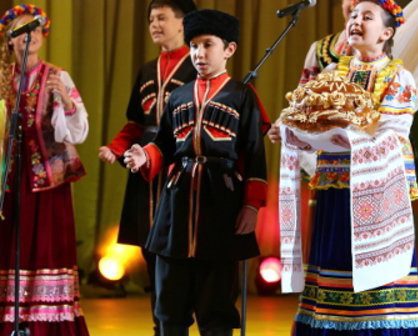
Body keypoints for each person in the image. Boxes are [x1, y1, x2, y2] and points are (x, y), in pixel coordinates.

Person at [271, 1, 418, 335]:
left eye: (367, 17)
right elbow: (305, 119)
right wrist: (289, 130)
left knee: (377, 278)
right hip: (336, 187)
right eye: (353, 16)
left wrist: (341, 132)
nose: (356, 21)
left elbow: (391, 131)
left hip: (380, 190)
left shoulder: (398, 77)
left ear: (386, 32)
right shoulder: (330, 75)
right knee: (334, 268)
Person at [123, 9, 268, 336]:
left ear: (228, 49)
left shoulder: (243, 96)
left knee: (216, 303)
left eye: (208, 45)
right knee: (169, 302)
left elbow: (255, 154)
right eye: (194, 46)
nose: (199, 54)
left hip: (222, 201)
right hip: (176, 202)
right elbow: (163, 145)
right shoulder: (178, 95)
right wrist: (143, 157)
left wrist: (251, 205)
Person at [97, 1, 196, 334]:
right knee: (149, 249)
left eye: (162, 18)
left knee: (179, 248)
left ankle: (178, 321)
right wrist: (115, 148)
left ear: (183, 23)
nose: (155, 24)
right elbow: (135, 124)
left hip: (179, 166)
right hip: (144, 171)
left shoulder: (196, 65)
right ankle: (161, 325)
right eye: (151, 19)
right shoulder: (145, 70)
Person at [0, 4, 90, 336]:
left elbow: (79, 132)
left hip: (47, 180)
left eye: (35, 29)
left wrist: (65, 102)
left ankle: (44, 323)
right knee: (10, 245)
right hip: (7, 178)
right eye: (22, 31)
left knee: (45, 246)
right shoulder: (1, 78)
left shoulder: (57, 76)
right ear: (9, 41)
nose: (30, 36)